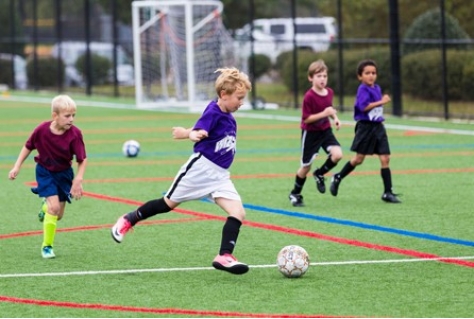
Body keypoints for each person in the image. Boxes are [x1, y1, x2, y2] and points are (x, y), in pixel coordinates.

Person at [111, 67, 252, 275]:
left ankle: (224, 256)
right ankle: (128, 220)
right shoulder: (213, 111)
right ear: (224, 95)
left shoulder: (230, 118)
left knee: (238, 212)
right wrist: (189, 134)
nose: (241, 102)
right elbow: (198, 131)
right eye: (239, 98)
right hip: (199, 169)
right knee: (167, 203)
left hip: (220, 176)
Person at [8, 94, 87, 258]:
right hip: (45, 172)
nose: (71, 119)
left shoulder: (75, 134)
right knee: (55, 208)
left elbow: (82, 159)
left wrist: (78, 179)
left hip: (64, 174)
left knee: (58, 215)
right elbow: (28, 146)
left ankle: (45, 208)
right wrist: (17, 166)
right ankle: (47, 246)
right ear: (55, 116)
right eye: (67, 116)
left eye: (73, 115)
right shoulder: (41, 130)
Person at [329, 59, 401, 203]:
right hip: (365, 128)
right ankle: (338, 177)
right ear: (360, 76)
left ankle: (387, 192)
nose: (371, 75)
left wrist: (380, 102)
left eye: (373, 73)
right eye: (367, 73)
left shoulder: (377, 88)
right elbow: (363, 107)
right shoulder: (362, 89)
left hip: (378, 127)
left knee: (385, 158)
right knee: (358, 159)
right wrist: (382, 102)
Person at [288, 59, 342, 207]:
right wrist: (325, 113)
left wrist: (335, 118)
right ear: (311, 78)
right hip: (311, 133)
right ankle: (295, 193)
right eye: (319, 76)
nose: (322, 79)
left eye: (324, 76)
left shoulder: (329, 92)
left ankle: (320, 174)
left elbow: (329, 109)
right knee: (306, 167)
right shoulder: (309, 96)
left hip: (325, 131)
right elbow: (307, 118)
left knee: (338, 154)